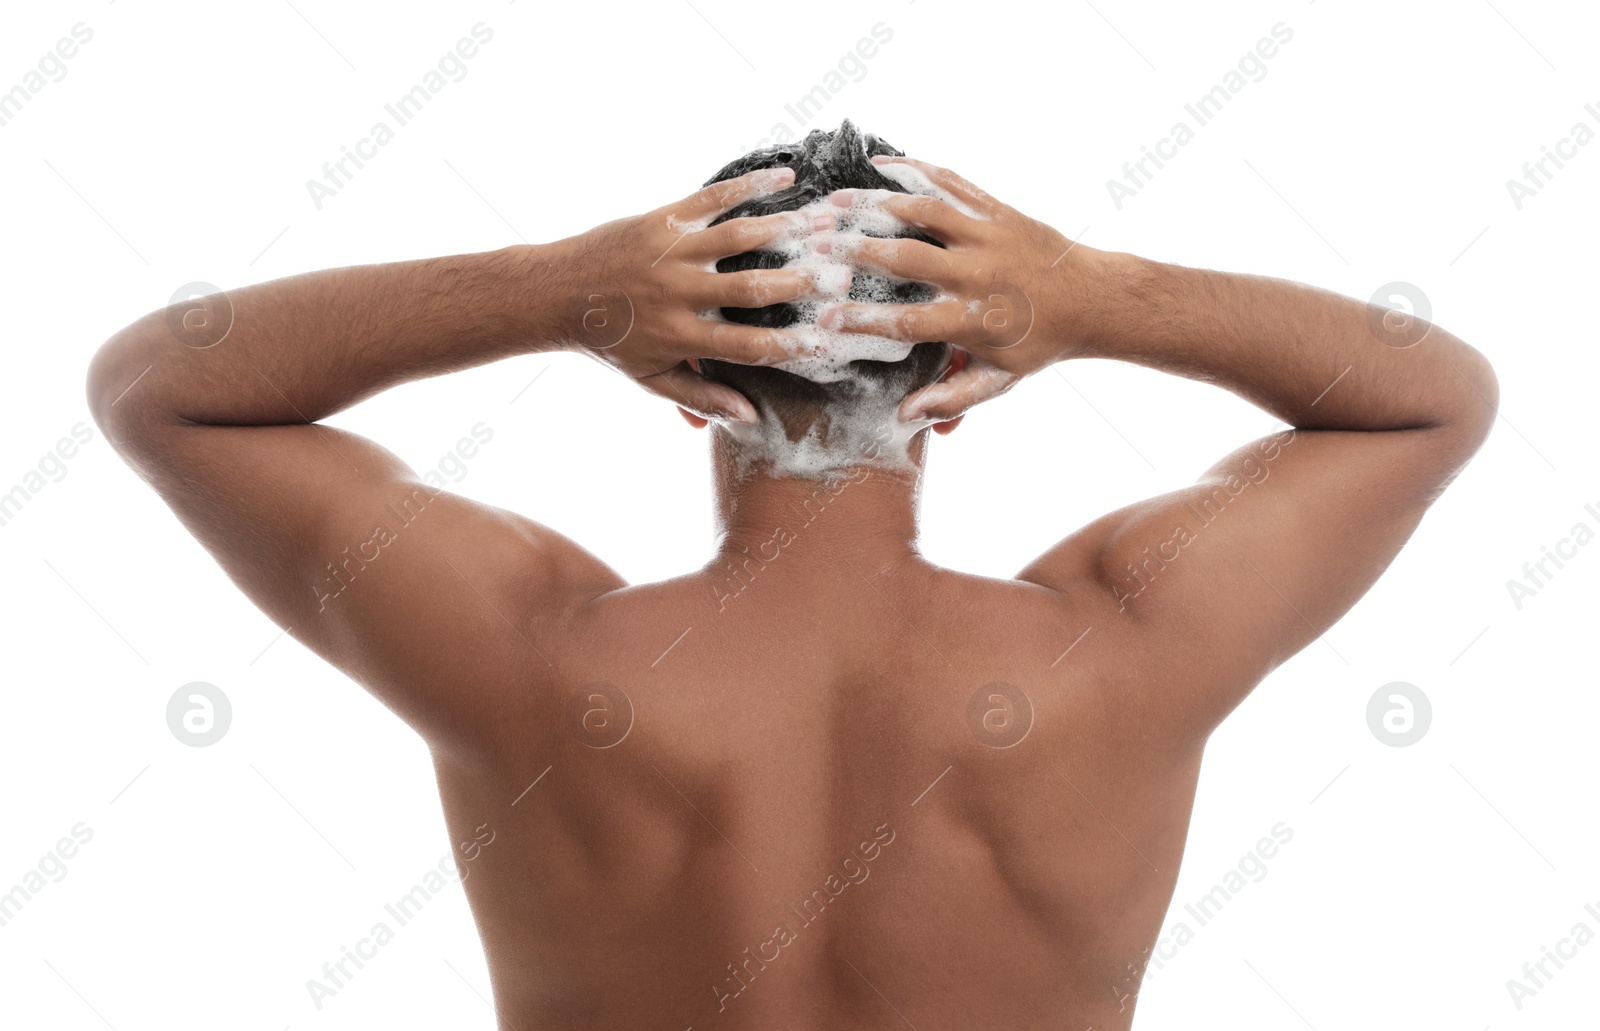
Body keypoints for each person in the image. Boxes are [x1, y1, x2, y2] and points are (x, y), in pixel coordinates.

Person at [86, 121, 1496, 1029]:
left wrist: (555, 288)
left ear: (680, 377)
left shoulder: (528, 658)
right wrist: (1087, 296)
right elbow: (1436, 398)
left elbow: (158, 388)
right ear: (959, 376)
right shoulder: (1122, 651)